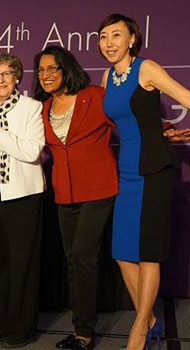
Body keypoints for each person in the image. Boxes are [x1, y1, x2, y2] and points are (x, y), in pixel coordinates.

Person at [97, 14, 190, 350]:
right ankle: (150, 319)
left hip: (154, 171)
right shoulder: (108, 76)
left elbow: (185, 96)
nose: (109, 43)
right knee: (122, 254)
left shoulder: (146, 68)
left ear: (132, 39)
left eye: (116, 35)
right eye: (104, 36)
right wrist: (164, 129)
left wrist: (158, 136)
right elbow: (133, 119)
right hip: (127, 171)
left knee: (148, 254)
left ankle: (138, 330)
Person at [33, 45, 119, 350]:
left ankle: (84, 332)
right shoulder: (41, 108)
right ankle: (80, 328)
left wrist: (163, 130)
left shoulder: (95, 96)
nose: (45, 75)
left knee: (83, 255)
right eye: (41, 70)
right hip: (64, 193)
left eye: (52, 68)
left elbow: (129, 124)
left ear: (66, 68)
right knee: (72, 260)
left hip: (98, 189)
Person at [0, 52, 45, 348]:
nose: (0, 79)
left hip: (23, 196)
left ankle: (22, 329)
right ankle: (1, 324)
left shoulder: (31, 107)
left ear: (17, 77)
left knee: (22, 265)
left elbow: (32, 152)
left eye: (6, 74)